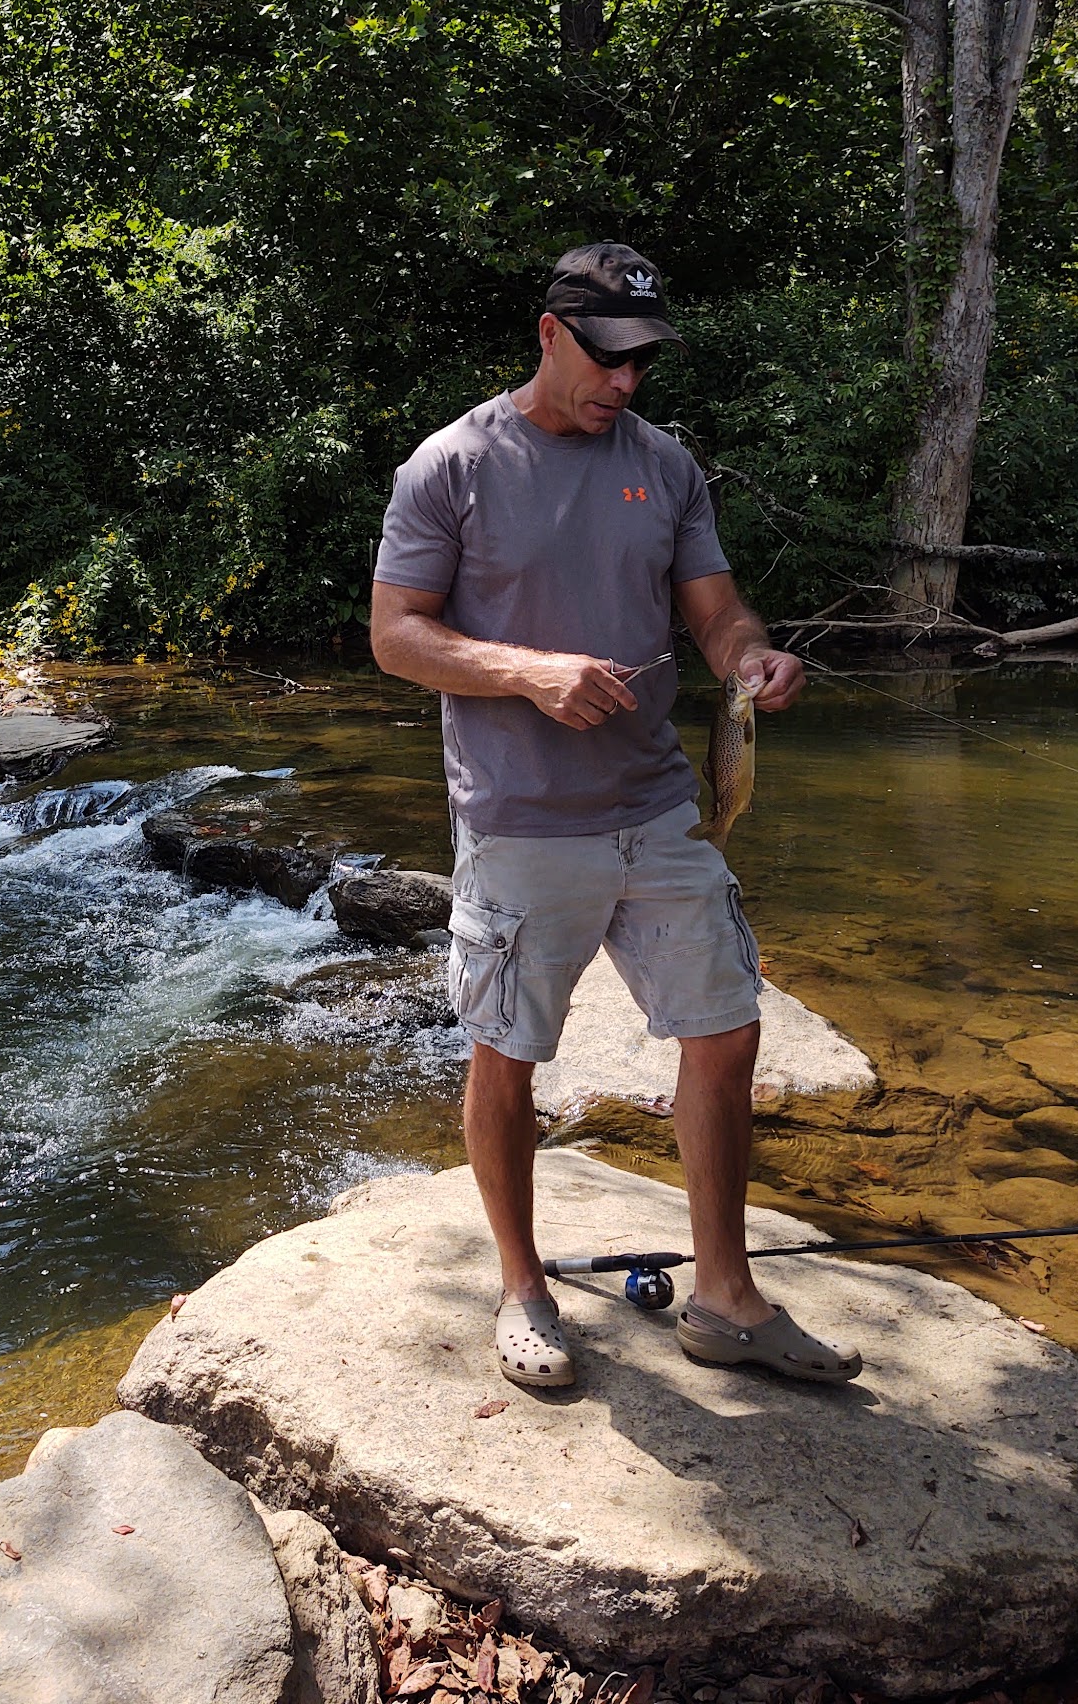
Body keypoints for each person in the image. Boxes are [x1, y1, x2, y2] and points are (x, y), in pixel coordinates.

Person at [369, 243, 862, 1389]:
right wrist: (526, 671)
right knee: (508, 1055)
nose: (627, 383)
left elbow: (718, 614)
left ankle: (727, 1298)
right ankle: (524, 1287)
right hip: (521, 819)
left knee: (727, 1029)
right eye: (608, 358)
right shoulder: (453, 464)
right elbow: (397, 634)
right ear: (550, 331)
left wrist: (755, 660)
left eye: (644, 363)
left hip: (657, 805)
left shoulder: (664, 464)